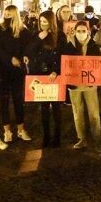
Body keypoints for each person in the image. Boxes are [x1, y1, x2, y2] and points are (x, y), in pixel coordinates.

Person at [0, 5, 32, 143]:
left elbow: (28, 46)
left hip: (17, 70)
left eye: (10, 13)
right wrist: (9, 58)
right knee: (3, 100)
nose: (7, 15)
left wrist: (25, 56)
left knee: (18, 100)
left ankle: (21, 129)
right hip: (3, 69)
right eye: (6, 13)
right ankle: (7, 130)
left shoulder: (23, 30)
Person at [64, 21, 101, 153]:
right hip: (74, 86)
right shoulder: (69, 46)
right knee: (77, 113)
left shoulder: (93, 46)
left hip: (90, 85)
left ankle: (97, 140)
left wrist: (95, 79)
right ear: (74, 32)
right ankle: (81, 138)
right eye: (78, 31)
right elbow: (65, 65)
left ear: (88, 31)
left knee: (94, 114)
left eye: (83, 31)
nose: (81, 34)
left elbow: (98, 65)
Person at [27, 10, 64, 148]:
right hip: (41, 76)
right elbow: (29, 51)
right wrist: (38, 39)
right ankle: (46, 136)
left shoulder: (59, 35)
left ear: (51, 22)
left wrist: (56, 71)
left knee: (56, 108)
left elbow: (62, 56)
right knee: (43, 107)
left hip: (55, 76)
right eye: (41, 22)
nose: (43, 24)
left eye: (45, 22)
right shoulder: (36, 34)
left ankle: (57, 137)